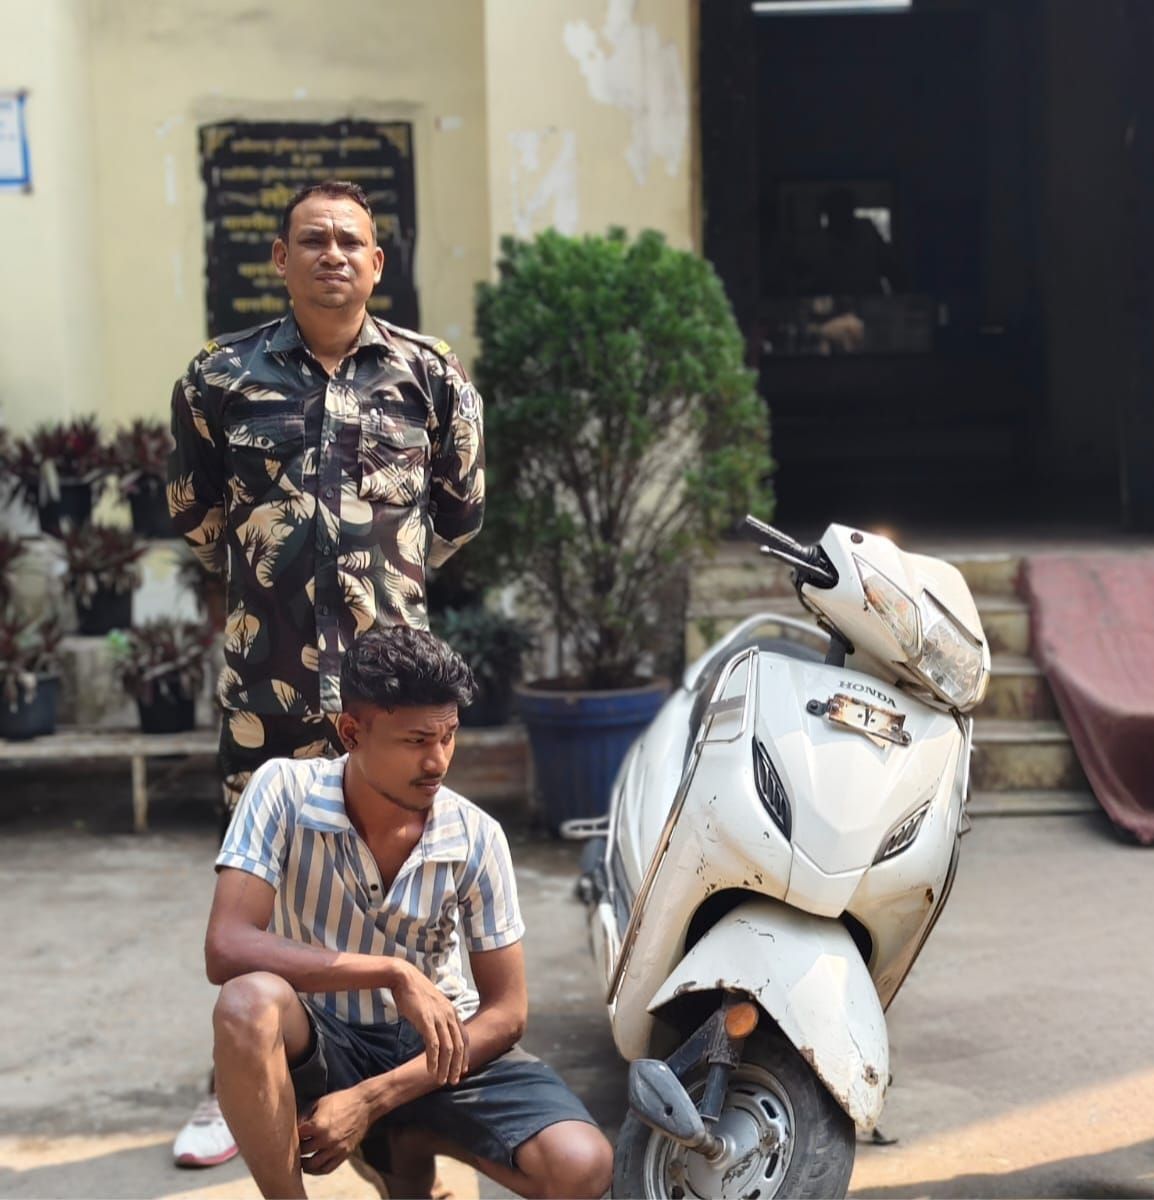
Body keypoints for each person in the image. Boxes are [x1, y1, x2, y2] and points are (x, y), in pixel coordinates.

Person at [167, 179, 485, 1167]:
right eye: (312, 240)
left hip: (388, 704)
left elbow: (456, 516)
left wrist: (374, 586)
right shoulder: (219, 378)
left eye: (351, 241)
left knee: (399, 882)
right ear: (281, 259)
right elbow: (200, 518)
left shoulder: (430, 377)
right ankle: (236, 1075)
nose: (333, 255)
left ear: (377, 263)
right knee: (255, 900)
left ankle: (401, 1086)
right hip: (267, 694)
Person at [205, 626, 612, 1199]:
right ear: (351, 732)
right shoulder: (282, 790)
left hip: (437, 1051)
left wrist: (372, 1098)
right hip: (323, 1039)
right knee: (247, 1003)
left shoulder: (476, 835)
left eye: (449, 736)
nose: (437, 760)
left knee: (582, 1165)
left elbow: (507, 1012)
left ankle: (405, 1141)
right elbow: (226, 946)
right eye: (417, 740)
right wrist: (393, 972)